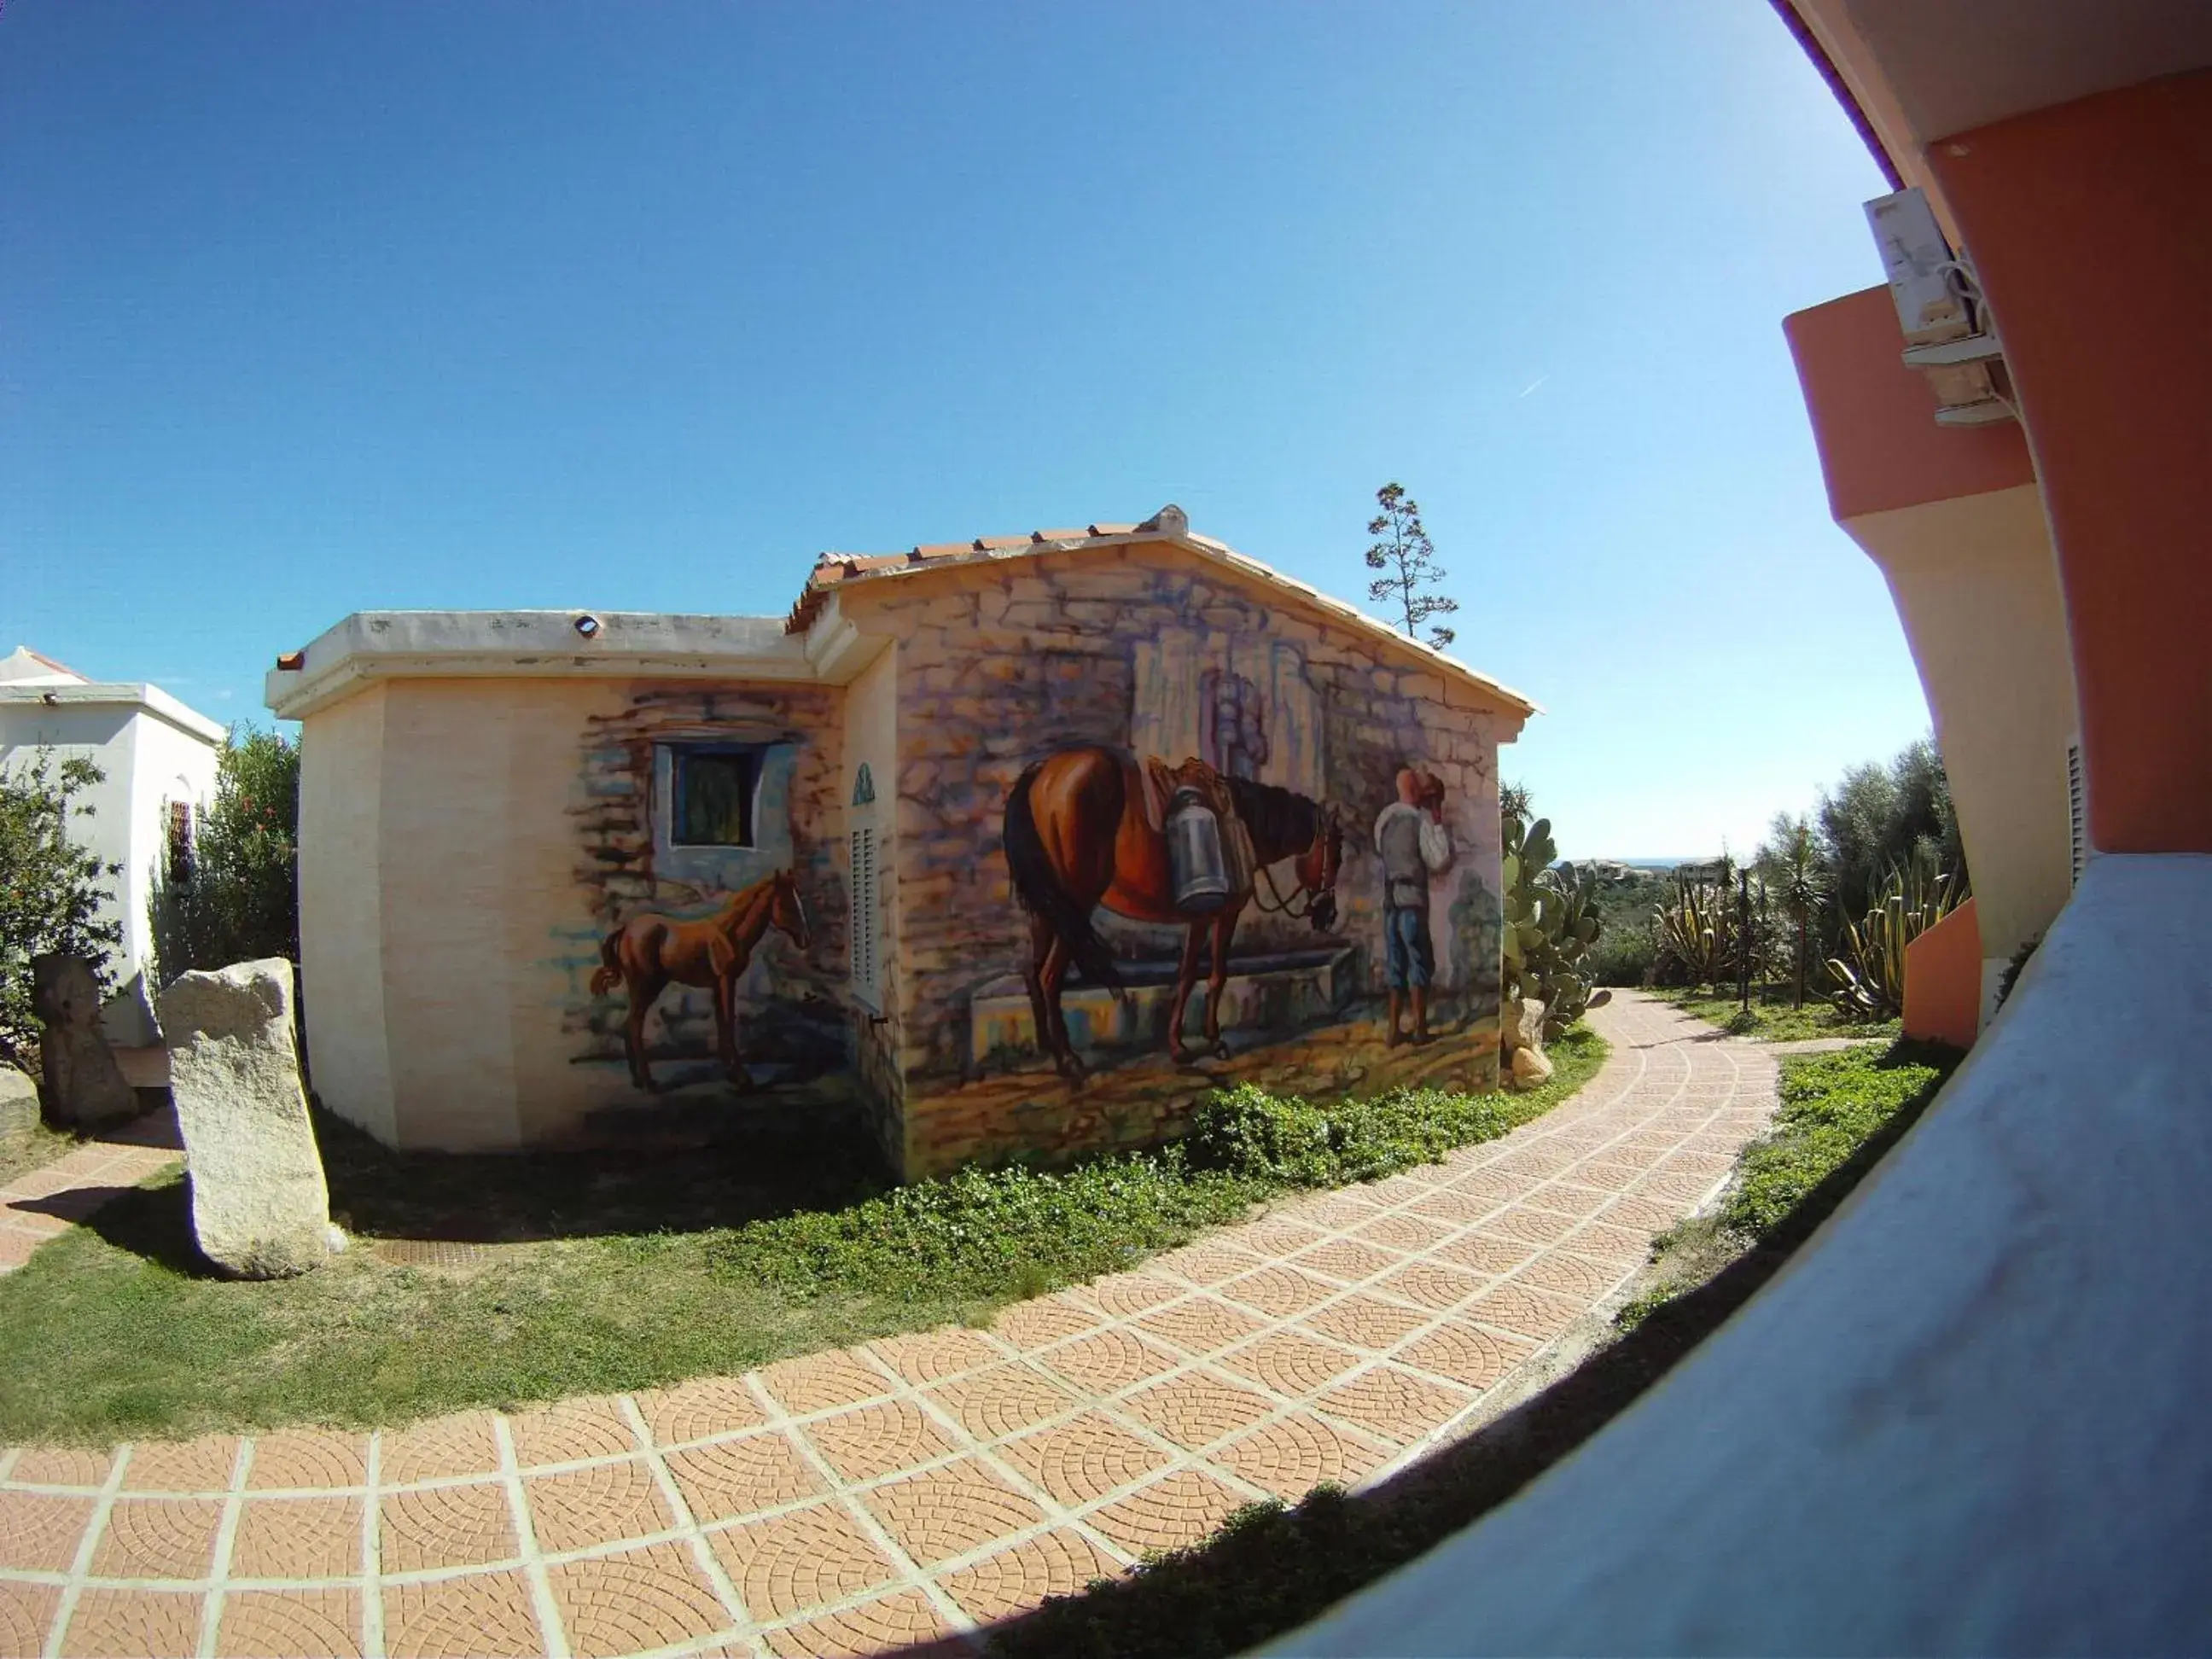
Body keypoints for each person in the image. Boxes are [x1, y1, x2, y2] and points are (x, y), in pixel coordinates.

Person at [1373, 767, 1453, 1045]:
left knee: (1396, 965)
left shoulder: (1383, 820)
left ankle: (1393, 1032)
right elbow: (1439, 860)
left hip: (1390, 902)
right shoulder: (1420, 822)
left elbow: (1380, 850)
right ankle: (1420, 1030)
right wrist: (1438, 819)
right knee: (1419, 962)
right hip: (1412, 901)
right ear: (1416, 791)